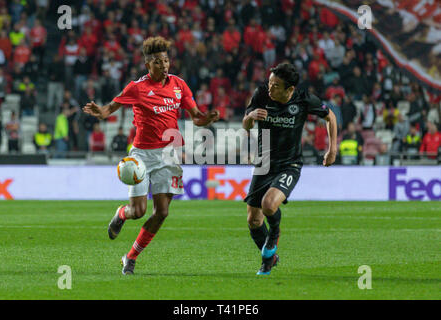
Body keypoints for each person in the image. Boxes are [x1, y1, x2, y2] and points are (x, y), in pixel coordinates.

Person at [82, 36, 219, 275]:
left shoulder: (179, 84)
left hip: (169, 155)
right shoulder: (137, 88)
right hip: (142, 156)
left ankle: (130, 257)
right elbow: (110, 109)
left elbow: (196, 115)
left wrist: (206, 119)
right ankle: (121, 213)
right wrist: (99, 112)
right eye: (157, 62)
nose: (164, 65)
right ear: (148, 65)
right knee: (138, 212)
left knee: (163, 212)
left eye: (166, 60)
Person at [242, 63, 337, 275]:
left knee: (268, 205)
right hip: (264, 163)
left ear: (289, 89)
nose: (270, 89)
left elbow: (330, 116)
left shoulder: (303, 99)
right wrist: (250, 118)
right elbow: (245, 125)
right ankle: (270, 258)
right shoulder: (261, 94)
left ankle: (273, 239)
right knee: (253, 220)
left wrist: (332, 150)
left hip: (289, 164)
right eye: (269, 83)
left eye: (275, 86)